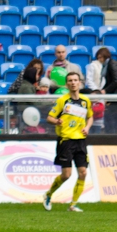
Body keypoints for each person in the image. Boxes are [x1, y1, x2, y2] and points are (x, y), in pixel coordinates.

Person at [42, 72, 93, 212]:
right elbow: (49, 118)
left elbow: (90, 117)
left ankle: (73, 204)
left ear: (80, 82)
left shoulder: (85, 101)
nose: (73, 83)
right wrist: (57, 121)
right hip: (66, 140)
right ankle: (48, 194)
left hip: (80, 140)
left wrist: (87, 128)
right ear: (67, 84)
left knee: (83, 172)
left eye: (75, 80)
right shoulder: (62, 100)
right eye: (70, 80)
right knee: (66, 175)